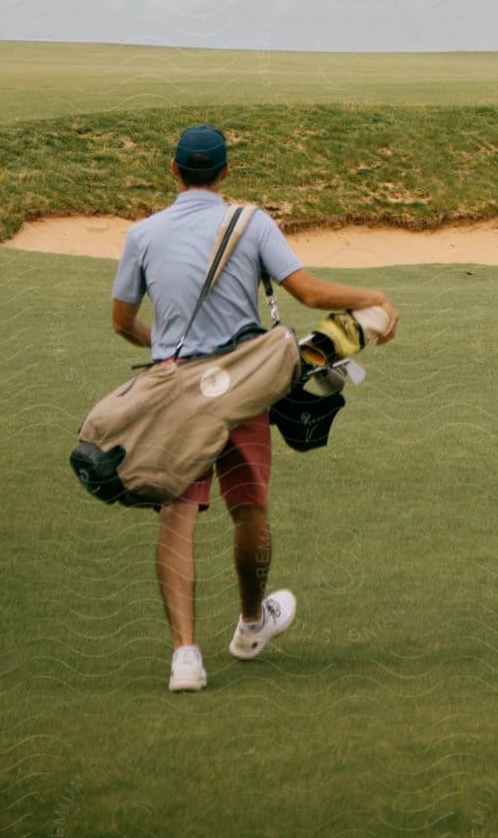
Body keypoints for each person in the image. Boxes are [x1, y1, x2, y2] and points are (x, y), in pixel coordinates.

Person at [110, 123, 398, 693]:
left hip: (174, 393)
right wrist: (374, 299)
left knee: (177, 521)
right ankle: (248, 625)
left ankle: (185, 658)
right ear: (225, 173)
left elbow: (121, 322)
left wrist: (168, 351)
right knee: (249, 509)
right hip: (240, 384)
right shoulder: (251, 222)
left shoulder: (142, 234)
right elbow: (310, 294)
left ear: (173, 170)